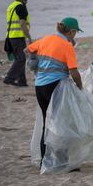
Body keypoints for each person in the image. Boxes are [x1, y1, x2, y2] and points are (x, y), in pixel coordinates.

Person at [26, 17, 83, 166]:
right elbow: (74, 72)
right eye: (75, 32)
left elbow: (29, 49)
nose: (75, 35)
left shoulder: (46, 39)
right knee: (61, 122)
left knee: (47, 121)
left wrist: (33, 63)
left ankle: (45, 159)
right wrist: (80, 87)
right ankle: (62, 161)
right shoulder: (66, 45)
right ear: (71, 31)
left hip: (40, 86)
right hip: (56, 86)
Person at [4, 0, 32, 87]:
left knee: (19, 58)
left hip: (10, 36)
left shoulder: (11, 6)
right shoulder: (21, 6)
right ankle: (9, 78)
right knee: (21, 58)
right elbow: (22, 23)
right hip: (18, 36)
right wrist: (29, 37)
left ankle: (22, 81)